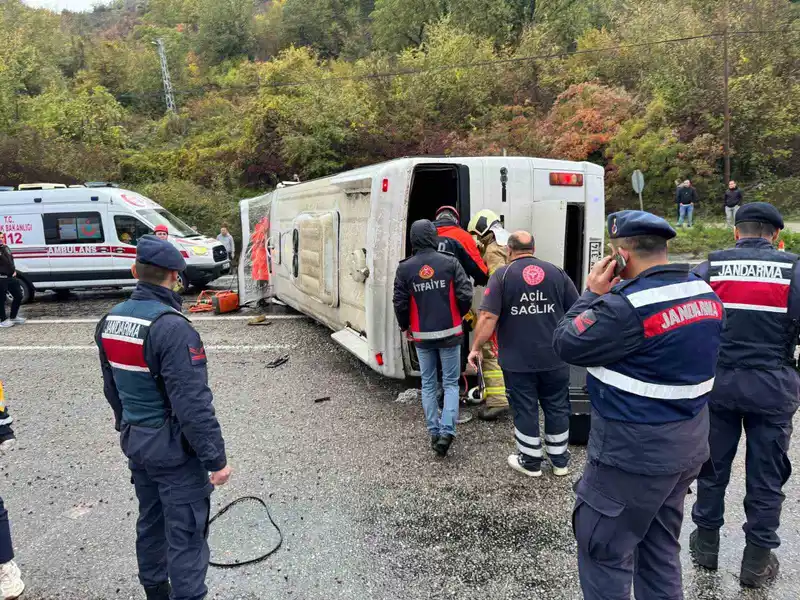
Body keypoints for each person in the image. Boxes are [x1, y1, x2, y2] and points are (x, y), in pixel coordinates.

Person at [553, 210, 724, 600]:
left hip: (632, 457)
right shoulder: (704, 293)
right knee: (659, 551)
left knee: (603, 549)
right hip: (687, 447)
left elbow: (565, 343)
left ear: (621, 257)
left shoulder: (624, 308)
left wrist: (592, 293)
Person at [96, 235, 231, 600]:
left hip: (138, 442)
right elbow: (193, 403)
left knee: (151, 523)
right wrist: (215, 459)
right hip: (174, 453)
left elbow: (112, 389)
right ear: (175, 276)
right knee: (186, 533)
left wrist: (127, 427)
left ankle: (155, 591)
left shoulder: (110, 320)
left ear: (134, 271)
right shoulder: (173, 328)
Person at [689, 202, 798, 588]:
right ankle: (756, 564)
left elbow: (688, 323)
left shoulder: (709, 268)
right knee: (766, 476)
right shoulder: (794, 270)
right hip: (772, 388)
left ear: (736, 232)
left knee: (712, 466)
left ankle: (705, 547)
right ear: (777, 237)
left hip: (718, 385)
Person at [467, 231, 578, 477]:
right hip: (555, 357)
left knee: (525, 407)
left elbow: (487, 316)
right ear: (533, 249)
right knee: (557, 406)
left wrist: (475, 348)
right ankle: (560, 462)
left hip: (518, 360)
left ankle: (530, 461)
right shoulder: (556, 273)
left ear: (509, 250)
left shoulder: (502, 276)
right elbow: (578, 310)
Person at [393, 219, 473, 457]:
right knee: (450, 383)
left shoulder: (405, 268)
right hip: (450, 332)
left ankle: (434, 432)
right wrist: (458, 314)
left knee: (428, 383)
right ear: (433, 236)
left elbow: (400, 302)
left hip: (421, 334)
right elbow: (465, 294)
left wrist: (405, 325)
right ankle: (447, 431)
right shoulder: (450, 263)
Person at [466, 209, 511, 421]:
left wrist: (488, 312)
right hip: (515, 310)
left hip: (501, 310)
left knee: (489, 350)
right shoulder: (508, 242)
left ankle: (497, 401)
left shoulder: (493, 251)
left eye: (477, 235)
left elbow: (497, 284)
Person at [0, 233, 25, 329]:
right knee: (1, 300)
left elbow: (11, 260)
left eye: (2, 237)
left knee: (19, 295)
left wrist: (14, 270)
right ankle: (2, 320)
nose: (1, 239)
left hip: (11, 277)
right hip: (1, 278)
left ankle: (13, 317)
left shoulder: (6, 248)